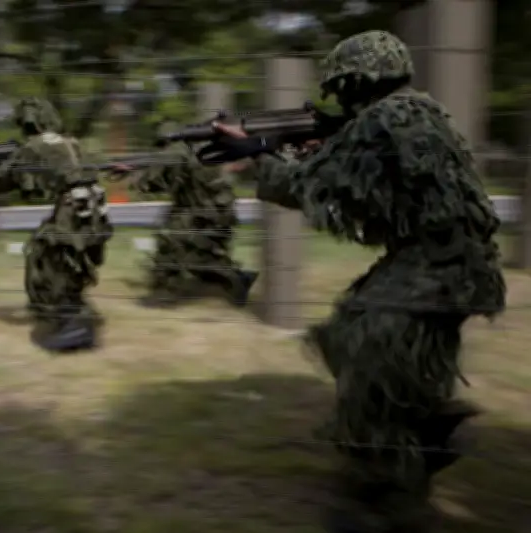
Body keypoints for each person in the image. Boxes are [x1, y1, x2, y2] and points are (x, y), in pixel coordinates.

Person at [201, 31, 506, 532]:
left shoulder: (385, 119)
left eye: (341, 87)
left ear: (356, 79)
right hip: (456, 261)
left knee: (361, 342)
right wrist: (316, 145)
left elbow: (310, 186)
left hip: (439, 264)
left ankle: (387, 496)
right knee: (379, 337)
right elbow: (378, 185)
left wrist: (261, 151)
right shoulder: (420, 110)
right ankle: (423, 431)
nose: (339, 97)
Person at [0, 98, 113, 352]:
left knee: (47, 260)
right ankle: (73, 318)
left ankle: (75, 328)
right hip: (95, 208)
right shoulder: (70, 141)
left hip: (72, 209)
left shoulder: (34, 147)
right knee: (69, 262)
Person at [111, 121, 258, 308]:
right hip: (216, 212)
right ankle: (237, 280)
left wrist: (133, 176)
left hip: (206, 214)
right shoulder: (192, 150)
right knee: (204, 253)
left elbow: (152, 183)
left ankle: (165, 293)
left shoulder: (176, 152)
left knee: (171, 242)